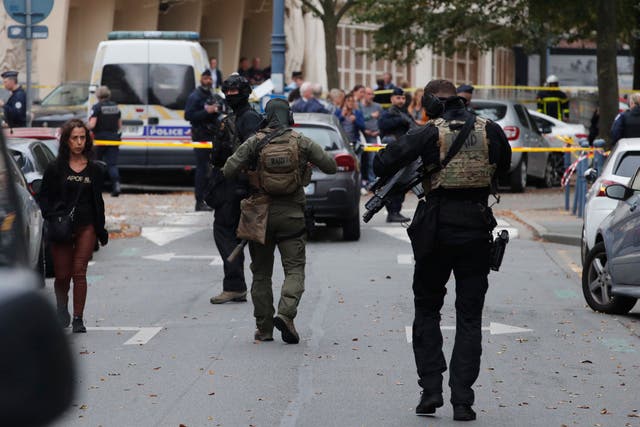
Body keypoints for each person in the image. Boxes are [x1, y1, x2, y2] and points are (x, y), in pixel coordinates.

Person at [374, 79, 511, 421]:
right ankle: (463, 400)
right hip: (477, 227)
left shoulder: (427, 132)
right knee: (469, 317)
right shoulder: (490, 129)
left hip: (435, 227)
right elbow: (503, 167)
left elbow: (384, 163)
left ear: (434, 102)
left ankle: (431, 390)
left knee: (427, 308)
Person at [222, 98, 337, 343]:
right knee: (294, 269)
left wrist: (249, 170)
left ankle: (264, 330)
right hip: (292, 215)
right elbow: (331, 166)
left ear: (266, 116)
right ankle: (286, 314)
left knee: (261, 274)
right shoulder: (302, 142)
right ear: (290, 116)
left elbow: (228, 170)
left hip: (259, 216)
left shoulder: (254, 142)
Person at [39, 119, 109, 333]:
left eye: (82, 137)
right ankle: (62, 307)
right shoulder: (55, 168)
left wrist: (101, 227)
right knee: (62, 276)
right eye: (74, 138)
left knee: (79, 272)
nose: (79, 142)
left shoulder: (95, 169)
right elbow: (44, 198)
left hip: (86, 225)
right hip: (61, 226)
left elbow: (98, 200)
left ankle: (78, 318)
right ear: (66, 141)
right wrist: (52, 216)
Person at [208, 74, 263, 304]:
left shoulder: (249, 118)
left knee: (227, 231)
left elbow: (251, 151)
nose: (230, 96)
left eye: (234, 92)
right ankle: (239, 285)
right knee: (232, 233)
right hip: (229, 182)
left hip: (240, 184)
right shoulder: (232, 117)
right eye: (227, 92)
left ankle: (236, 285)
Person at [378, 87, 415, 222]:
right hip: (394, 155)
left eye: (403, 98)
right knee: (394, 182)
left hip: (405, 152)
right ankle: (393, 211)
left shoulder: (405, 113)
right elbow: (383, 125)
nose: (401, 100)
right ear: (392, 99)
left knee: (402, 183)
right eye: (398, 98)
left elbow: (413, 127)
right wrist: (401, 120)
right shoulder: (389, 113)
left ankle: (395, 211)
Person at [185, 69, 219, 212]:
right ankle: (199, 201)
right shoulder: (195, 96)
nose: (208, 81)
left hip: (211, 135)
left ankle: (208, 199)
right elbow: (188, 115)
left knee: (211, 170)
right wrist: (207, 111)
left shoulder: (211, 94)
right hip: (201, 136)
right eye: (206, 79)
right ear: (201, 79)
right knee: (202, 169)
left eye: (210, 79)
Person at [88, 86, 122, 197]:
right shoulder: (115, 107)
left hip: (100, 140)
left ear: (98, 96)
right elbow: (119, 125)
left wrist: (84, 126)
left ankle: (96, 188)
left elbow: (92, 124)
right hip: (113, 139)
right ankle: (116, 186)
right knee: (112, 164)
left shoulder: (97, 107)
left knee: (97, 164)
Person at [360, 87, 383, 185]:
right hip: (362, 136)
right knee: (361, 161)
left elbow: (382, 121)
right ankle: (361, 182)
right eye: (369, 94)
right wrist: (365, 131)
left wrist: (379, 131)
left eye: (372, 94)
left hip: (374, 136)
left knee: (372, 160)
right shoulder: (359, 106)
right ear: (364, 94)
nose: (371, 96)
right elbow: (358, 120)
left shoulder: (378, 106)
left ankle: (372, 182)